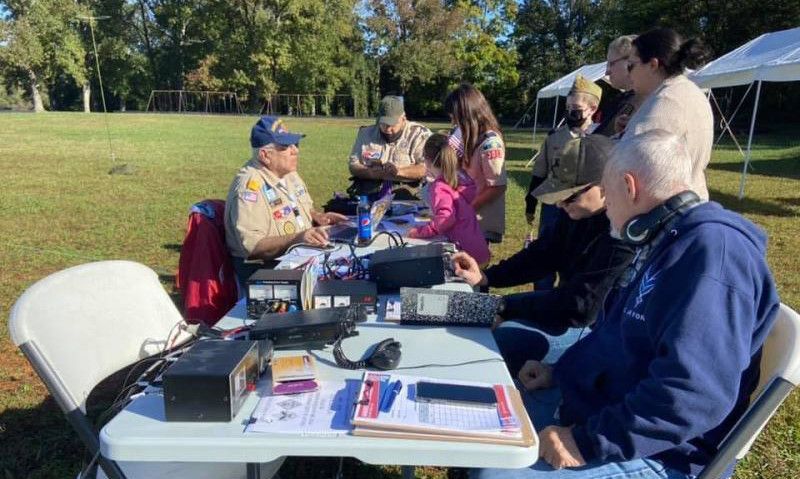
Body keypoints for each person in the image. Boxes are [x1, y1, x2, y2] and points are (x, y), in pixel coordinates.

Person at [473, 130, 780, 479]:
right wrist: (561, 372)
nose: (607, 208)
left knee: (496, 472)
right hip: (604, 411)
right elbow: (618, 337)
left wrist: (586, 442)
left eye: (608, 191)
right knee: (485, 425)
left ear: (629, 186)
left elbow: (692, 394)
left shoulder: (714, 257)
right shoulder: (666, 242)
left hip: (660, 454)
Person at [453, 135, 634, 371]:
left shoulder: (622, 236)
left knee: (503, 341)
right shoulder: (577, 213)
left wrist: (503, 306)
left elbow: (580, 307)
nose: (560, 205)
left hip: (597, 332)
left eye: (569, 196)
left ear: (606, 185)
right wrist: (488, 277)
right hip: (569, 312)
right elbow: (543, 253)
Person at [224, 116, 347, 284]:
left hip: (301, 258)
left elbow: (300, 209)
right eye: (286, 146)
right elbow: (252, 247)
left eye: (295, 144)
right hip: (266, 273)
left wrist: (318, 217)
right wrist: (298, 238)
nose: (295, 151)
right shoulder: (249, 187)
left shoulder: (289, 174)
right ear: (265, 155)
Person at [525, 75, 603, 290]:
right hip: (553, 204)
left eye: (576, 107)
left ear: (592, 108)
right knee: (545, 255)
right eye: (567, 106)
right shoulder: (555, 137)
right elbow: (540, 172)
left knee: (576, 260)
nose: (570, 111)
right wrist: (530, 202)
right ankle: (541, 298)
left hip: (584, 207)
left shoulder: (603, 137)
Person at [623, 27, 713, 200]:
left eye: (631, 66)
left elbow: (631, 163)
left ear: (653, 65)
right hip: (688, 201)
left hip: (665, 210)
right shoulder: (688, 91)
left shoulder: (665, 101)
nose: (629, 74)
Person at [407, 133, 490, 265]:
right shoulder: (461, 178)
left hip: (465, 254)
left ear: (427, 160)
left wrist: (420, 232)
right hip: (478, 247)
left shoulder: (440, 187)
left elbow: (446, 219)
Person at [445, 84, 507, 243]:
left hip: (480, 221)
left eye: (455, 117)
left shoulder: (490, 143)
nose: (453, 122)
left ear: (467, 114)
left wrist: (468, 209)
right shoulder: (472, 137)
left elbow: (497, 186)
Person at [347, 95, 431, 200]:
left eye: (392, 124)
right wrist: (371, 173)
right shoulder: (366, 133)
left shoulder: (418, 135)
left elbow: (424, 168)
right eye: (384, 124)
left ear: (403, 119)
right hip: (369, 189)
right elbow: (353, 165)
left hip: (404, 190)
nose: (388, 129)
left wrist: (398, 171)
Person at [594, 35, 640, 137]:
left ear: (630, 62)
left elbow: (599, 143)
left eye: (611, 63)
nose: (607, 72)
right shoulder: (626, 100)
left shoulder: (635, 103)